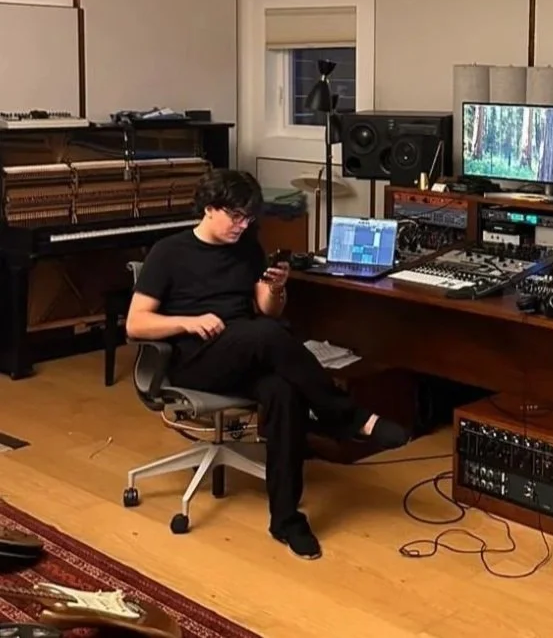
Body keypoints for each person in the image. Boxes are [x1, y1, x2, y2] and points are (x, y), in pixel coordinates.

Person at [125, 168, 410, 560]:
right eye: (235, 217)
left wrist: (276, 287)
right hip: (194, 360)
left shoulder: (247, 247)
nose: (242, 225)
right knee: (266, 335)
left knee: (283, 390)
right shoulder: (168, 252)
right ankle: (348, 417)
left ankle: (286, 519)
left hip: (245, 350)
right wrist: (188, 322)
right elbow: (135, 323)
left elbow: (267, 309)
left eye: (248, 218)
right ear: (209, 208)